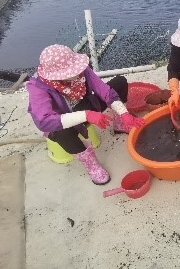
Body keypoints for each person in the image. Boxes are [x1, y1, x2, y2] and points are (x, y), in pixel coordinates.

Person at [26, 44, 145, 185]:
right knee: (59, 133)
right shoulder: (37, 87)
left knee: (119, 82)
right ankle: (91, 164)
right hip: (62, 122)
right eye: (71, 71)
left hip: (86, 106)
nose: (77, 73)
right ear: (55, 76)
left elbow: (105, 91)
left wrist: (123, 113)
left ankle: (119, 124)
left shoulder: (82, 71)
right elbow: (44, 121)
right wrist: (86, 115)